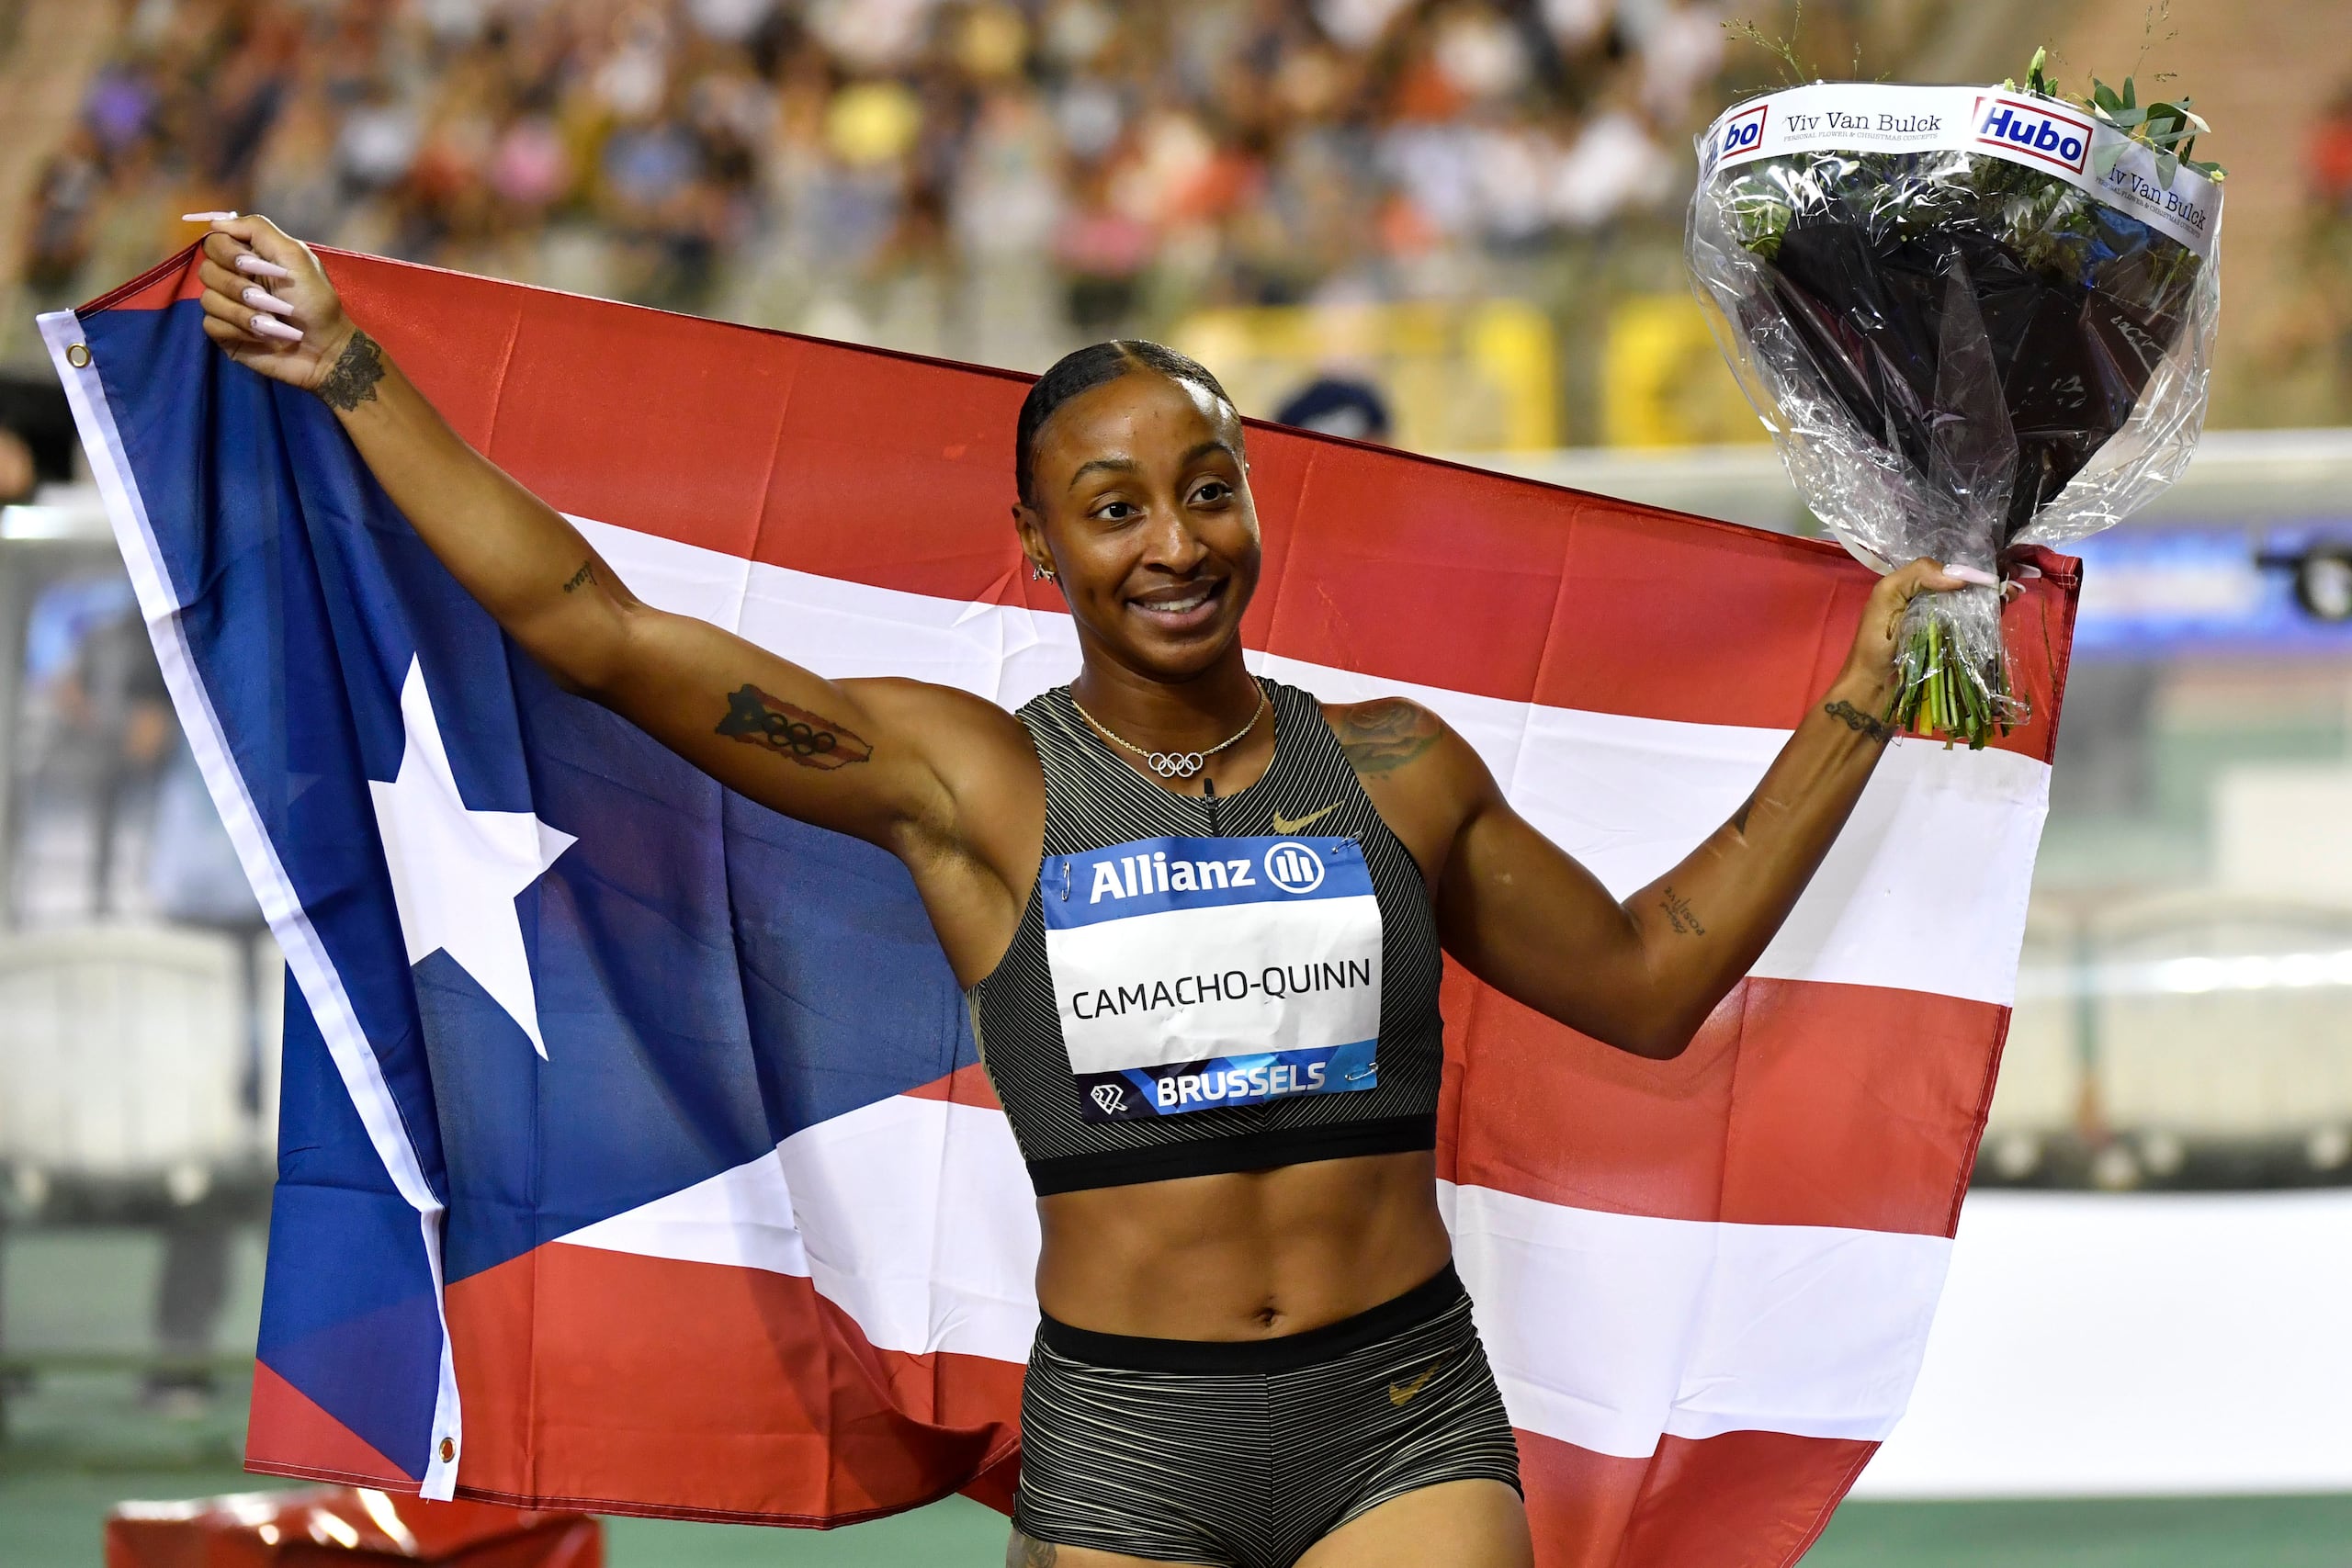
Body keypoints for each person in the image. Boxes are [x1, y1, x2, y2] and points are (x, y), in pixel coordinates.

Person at [189, 213, 1968, 1568]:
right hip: (1128, 1435)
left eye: (1206, 490)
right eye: (1112, 510)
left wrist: (1858, 697)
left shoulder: (1402, 766)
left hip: (1400, 1415)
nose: (1174, 543)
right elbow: (596, 628)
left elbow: (1652, 977)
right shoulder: (969, 788)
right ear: (1038, 546)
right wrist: (349, 367)